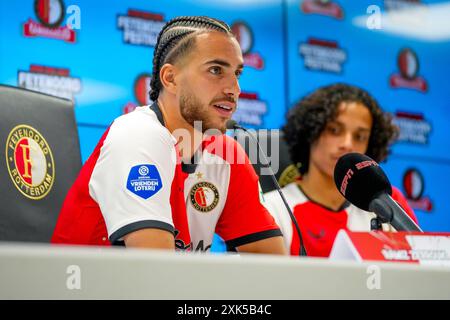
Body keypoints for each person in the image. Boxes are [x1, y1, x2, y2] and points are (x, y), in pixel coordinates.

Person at [52, 16, 286, 255]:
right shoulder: (137, 135)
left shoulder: (226, 153)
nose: (234, 89)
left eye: (237, 74)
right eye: (216, 70)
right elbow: (156, 273)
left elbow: (274, 265)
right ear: (170, 78)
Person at [263, 83, 418, 257]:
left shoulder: (386, 202)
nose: (348, 144)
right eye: (334, 130)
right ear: (310, 132)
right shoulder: (271, 208)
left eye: (360, 136)